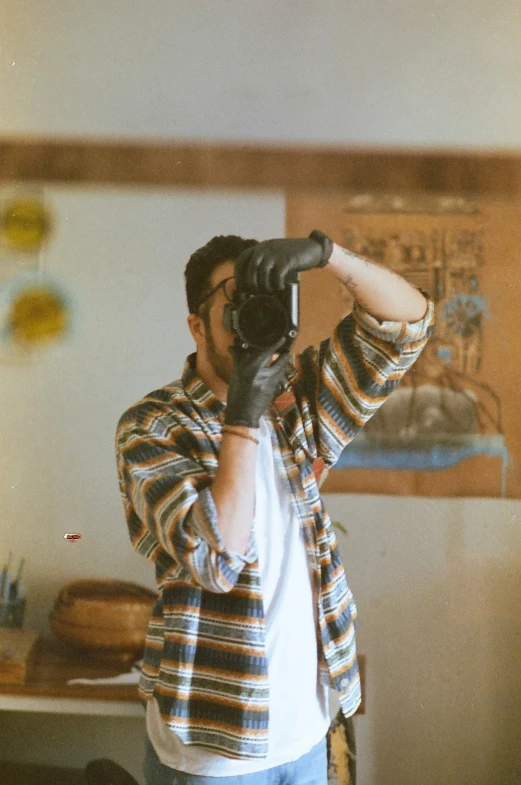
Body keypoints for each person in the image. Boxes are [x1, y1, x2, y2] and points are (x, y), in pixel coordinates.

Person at [115, 231, 435, 785]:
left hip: (308, 735)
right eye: (236, 299)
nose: (253, 314)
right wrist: (241, 413)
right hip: (214, 752)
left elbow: (408, 325)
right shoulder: (152, 425)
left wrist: (325, 255)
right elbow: (216, 561)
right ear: (197, 325)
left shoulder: (299, 403)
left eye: (267, 297)